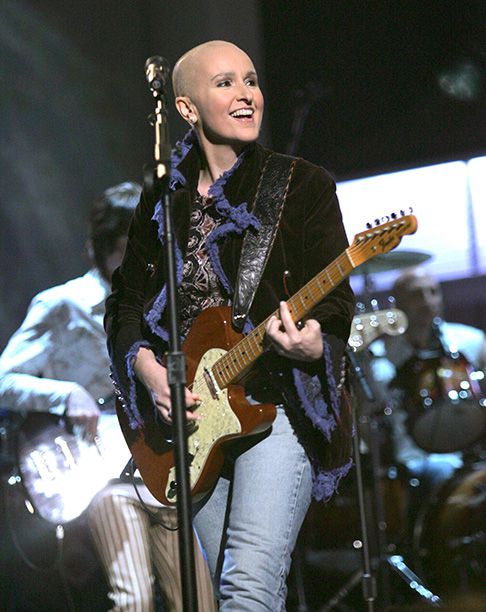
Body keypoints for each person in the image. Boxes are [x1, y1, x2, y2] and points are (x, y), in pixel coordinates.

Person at [105, 40, 355, 610]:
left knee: (250, 587)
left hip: (277, 406)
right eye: (225, 84)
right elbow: (123, 305)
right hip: (193, 423)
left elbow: (335, 300)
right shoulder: (161, 199)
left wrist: (315, 342)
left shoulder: (302, 185)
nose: (247, 95)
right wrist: (146, 369)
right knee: (225, 592)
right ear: (188, 109)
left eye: (251, 80)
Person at [0, 182, 216, 611]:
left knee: (198, 600)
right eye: (126, 248)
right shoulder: (63, 304)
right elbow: (3, 378)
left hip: (163, 465)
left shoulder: (164, 308)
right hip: (99, 471)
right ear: (102, 248)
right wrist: (67, 395)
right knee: (133, 599)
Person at [369, 266, 486, 496]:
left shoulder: (472, 340)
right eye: (416, 294)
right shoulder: (379, 359)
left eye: (433, 292)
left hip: (469, 454)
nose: (428, 301)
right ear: (398, 304)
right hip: (410, 463)